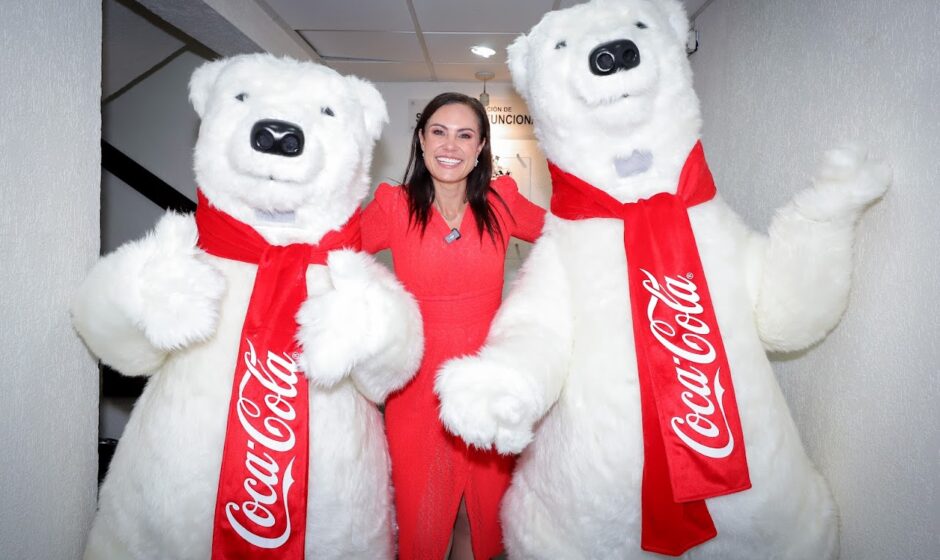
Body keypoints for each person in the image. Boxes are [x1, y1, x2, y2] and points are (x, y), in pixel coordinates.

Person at [361, 92, 545, 560]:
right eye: (439, 132)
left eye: (465, 135)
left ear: (481, 146)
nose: (451, 145)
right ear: (421, 141)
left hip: (485, 390)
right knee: (422, 523)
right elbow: (333, 253)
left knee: (478, 520)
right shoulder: (394, 206)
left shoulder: (503, 202)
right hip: (416, 394)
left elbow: (568, 235)